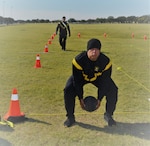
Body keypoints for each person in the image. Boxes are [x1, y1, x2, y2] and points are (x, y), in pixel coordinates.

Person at [63, 38, 118, 127]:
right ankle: (70, 117)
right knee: (68, 89)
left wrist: (99, 98)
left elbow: (105, 81)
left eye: (97, 50)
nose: (94, 52)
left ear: (100, 51)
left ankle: (108, 115)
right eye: (92, 49)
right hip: (81, 78)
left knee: (113, 89)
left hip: (98, 78)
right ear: (87, 50)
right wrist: (80, 98)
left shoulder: (105, 62)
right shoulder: (78, 60)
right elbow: (76, 81)